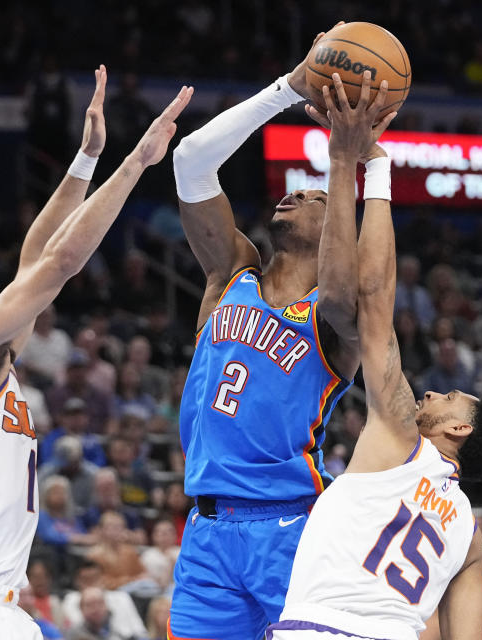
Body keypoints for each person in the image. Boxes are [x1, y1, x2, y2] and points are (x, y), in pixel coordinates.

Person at [0, 67, 192, 640]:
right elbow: (56, 266)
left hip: (0, 604)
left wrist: (85, 159)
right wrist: (136, 163)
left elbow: (35, 261)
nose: (3, 304)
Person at [270, 73, 482, 640]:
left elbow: (375, 299)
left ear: (457, 428)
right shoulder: (471, 541)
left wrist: (374, 166)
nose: (431, 392)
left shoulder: (404, 436)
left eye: (449, 397)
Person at [168, 28, 363, 639]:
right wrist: (288, 90)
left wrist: (344, 160)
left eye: (314, 197)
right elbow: (189, 161)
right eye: (294, 189)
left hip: (291, 526)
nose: (295, 194)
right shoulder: (231, 273)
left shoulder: (335, 317)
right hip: (205, 532)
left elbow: (342, 281)